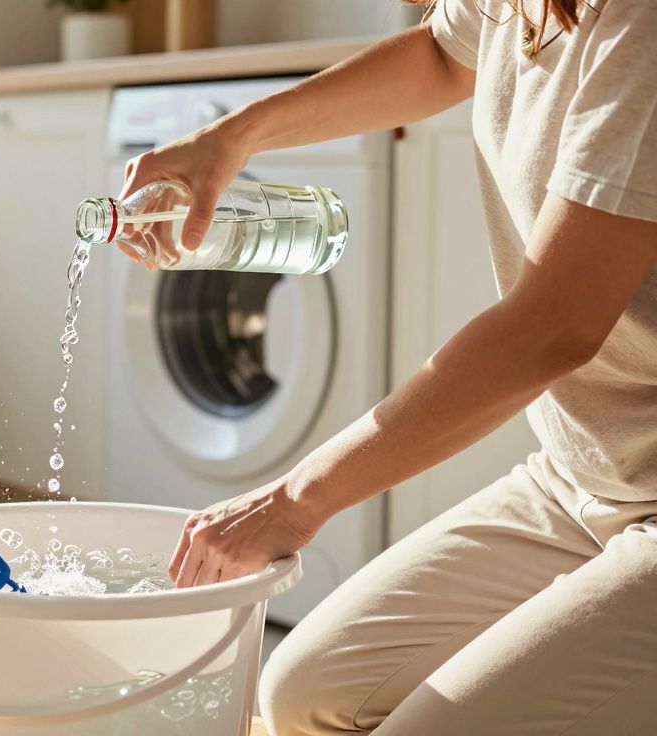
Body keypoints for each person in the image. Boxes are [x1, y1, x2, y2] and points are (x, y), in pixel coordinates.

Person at [122, 1, 657, 733]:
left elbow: (551, 328)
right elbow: (441, 55)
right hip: (579, 477)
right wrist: (231, 137)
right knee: (301, 696)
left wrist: (295, 500)